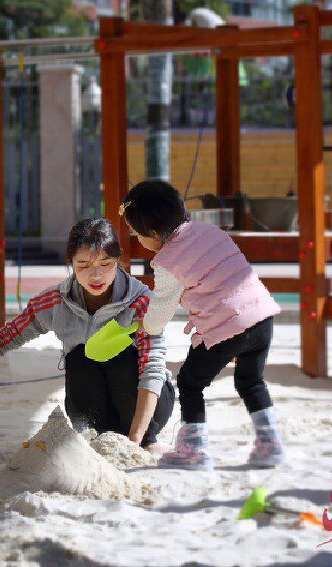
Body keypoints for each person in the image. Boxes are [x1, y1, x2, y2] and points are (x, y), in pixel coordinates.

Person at [0, 218, 175, 453]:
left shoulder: (142, 301)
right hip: (98, 409)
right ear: (70, 263)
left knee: (123, 357)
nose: (96, 276)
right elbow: (5, 338)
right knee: (79, 358)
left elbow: (152, 369)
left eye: (105, 264)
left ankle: (147, 439)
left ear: (118, 260)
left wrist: (135, 441)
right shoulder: (55, 301)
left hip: (147, 406)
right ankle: (96, 434)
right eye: (83, 265)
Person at [121, 180, 284, 471]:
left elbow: (161, 309)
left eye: (136, 233)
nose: (137, 239)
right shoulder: (211, 231)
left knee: (190, 383)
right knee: (251, 381)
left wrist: (146, 326)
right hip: (261, 317)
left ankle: (193, 451)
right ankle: (271, 445)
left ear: (155, 233)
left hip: (226, 327)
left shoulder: (167, 262)